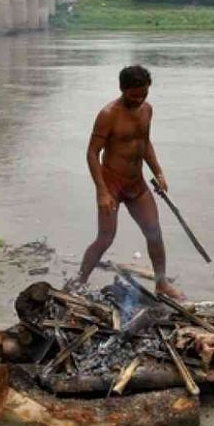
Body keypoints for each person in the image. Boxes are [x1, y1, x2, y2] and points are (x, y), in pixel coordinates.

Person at [75, 64, 181, 300]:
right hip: (111, 183)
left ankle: (161, 283)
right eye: (134, 95)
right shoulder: (108, 114)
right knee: (105, 238)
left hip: (137, 183)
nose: (139, 99)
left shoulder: (147, 110)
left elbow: (145, 143)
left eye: (143, 94)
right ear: (122, 89)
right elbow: (92, 153)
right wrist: (101, 192)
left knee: (154, 232)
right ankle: (79, 282)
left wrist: (159, 172)